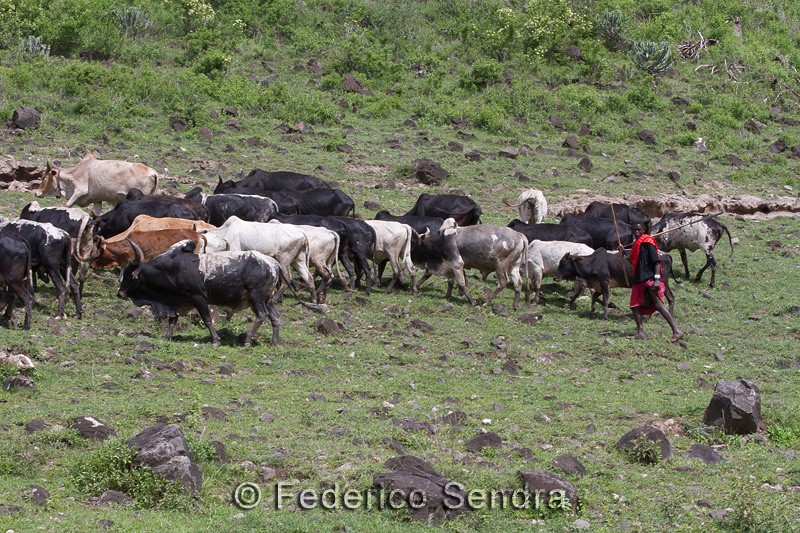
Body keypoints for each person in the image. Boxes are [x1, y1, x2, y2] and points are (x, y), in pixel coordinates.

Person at [629, 223, 684, 342]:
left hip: (649, 278)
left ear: (644, 230)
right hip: (639, 279)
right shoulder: (636, 245)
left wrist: (657, 280)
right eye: (634, 229)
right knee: (635, 306)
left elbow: (657, 262)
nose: (636, 232)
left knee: (658, 305)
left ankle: (676, 331)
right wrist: (623, 252)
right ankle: (641, 332)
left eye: (638, 229)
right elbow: (635, 261)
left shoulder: (648, 242)